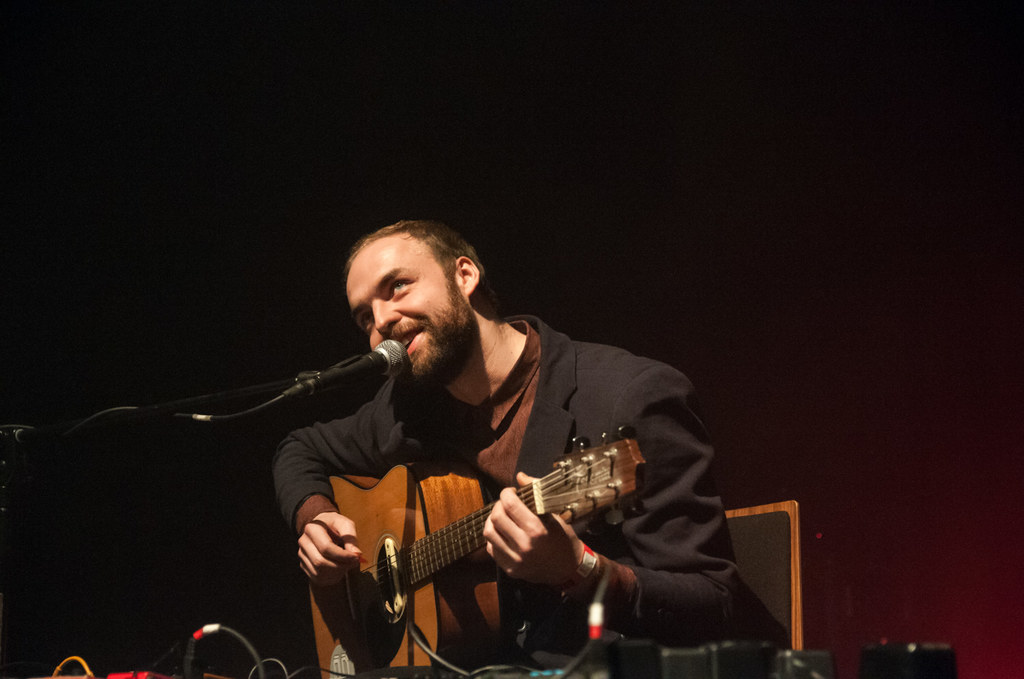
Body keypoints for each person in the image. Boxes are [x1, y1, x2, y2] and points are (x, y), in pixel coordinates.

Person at [273, 220, 740, 668]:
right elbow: (299, 448)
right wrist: (316, 518)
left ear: (465, 275)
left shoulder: (631, 397)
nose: (381, 322)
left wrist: (580, 568)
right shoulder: (406, 408)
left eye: (397, 286)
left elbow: (713, 603)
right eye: (363, 317)